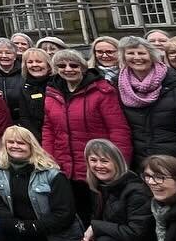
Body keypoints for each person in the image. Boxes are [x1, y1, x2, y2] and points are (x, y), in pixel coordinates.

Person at [42, 49, 132, 219]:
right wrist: (48, 157)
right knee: (76, 213)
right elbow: (49, 128)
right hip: (65, 166)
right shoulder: (52, 93)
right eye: (61, 65)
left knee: (100, 213)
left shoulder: (102, 91)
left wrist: (120, 163)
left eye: (73, 65)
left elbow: (118, 129)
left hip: (96, 165)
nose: (68, 69)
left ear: (83, 67)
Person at [115, 35, 176, 163]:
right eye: (131, 53)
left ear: (152, 55)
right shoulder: (116, 84)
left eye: (142, 53)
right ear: (124, 57)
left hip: (173, 156)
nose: (137, 57)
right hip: (136, 157)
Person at [13, 48, 53, 138]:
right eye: (30, 62)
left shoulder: (57, 83)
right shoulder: (24, 87)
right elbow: (24, 116)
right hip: (37, 137)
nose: (34, 65)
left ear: (48, 64)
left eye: (39, 61)